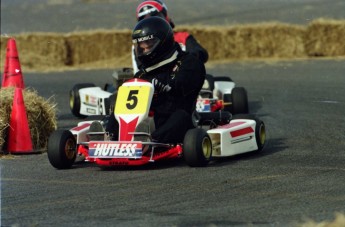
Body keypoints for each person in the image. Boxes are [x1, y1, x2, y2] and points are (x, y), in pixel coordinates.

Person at [106, 16, 206, 144]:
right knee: (118, 109)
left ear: (163, 42)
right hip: (147, 121)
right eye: (140, 47)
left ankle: (149, 142)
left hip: (177, 121)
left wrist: (162, 84)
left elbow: (184, 87)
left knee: (181, 116)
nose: (143, 50)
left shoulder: (188, 62)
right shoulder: (143, 73)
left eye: (148, 45)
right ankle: (109, 137)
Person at [132, 0, 209, 74]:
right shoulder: (139, 45)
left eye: (156, 17)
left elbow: (202, 54)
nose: (151, 23)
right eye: (145, 20)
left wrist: (185, 59)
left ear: (165, 17)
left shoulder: (183, 37)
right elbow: (142, 66)